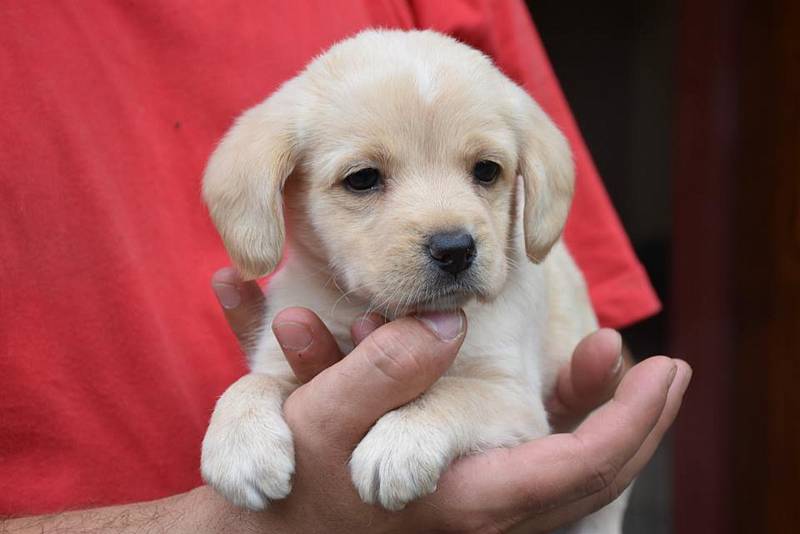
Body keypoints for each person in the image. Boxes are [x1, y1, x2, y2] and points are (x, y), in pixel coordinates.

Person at [0, 0, 689, 531]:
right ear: (282, 189)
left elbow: (512, 400)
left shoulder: (505, 269)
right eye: (363, 180)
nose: (453, 230)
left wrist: (429, 426)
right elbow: (276, 390)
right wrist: (247, 412)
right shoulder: (306, 266)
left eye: (484, 170)